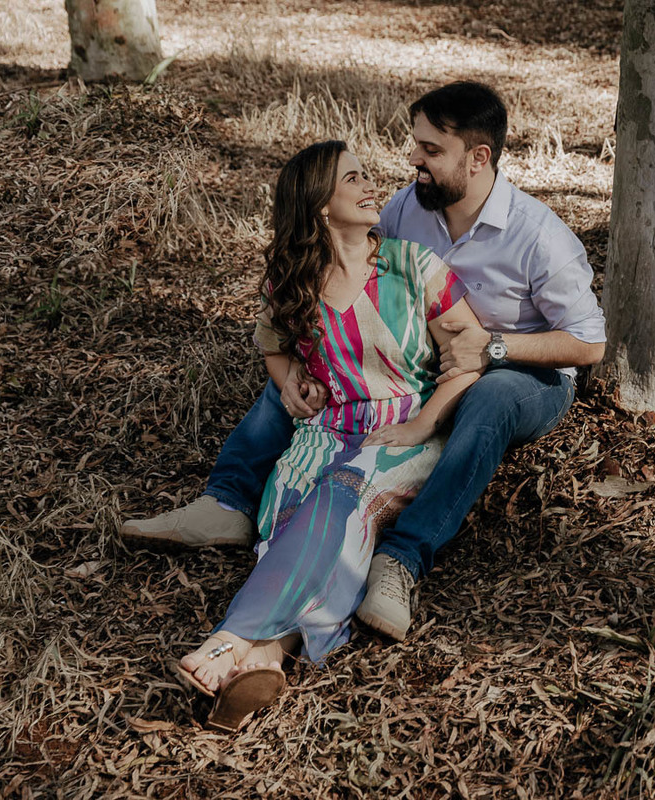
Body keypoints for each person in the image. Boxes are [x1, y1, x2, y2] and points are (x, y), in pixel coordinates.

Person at [124, 81, 607, 642]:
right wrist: (306, 365)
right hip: (428, 356)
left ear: (478, 158)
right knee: (315, 371)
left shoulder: (539, 236)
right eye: (415, 145)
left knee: (487, 398)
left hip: (524, 369)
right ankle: (228, 499)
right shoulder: (408, 207)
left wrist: (494, 348)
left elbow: (588, 343)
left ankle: (402, 558)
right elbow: (367, 276)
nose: (413, 160)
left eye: (430, 149)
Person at [176, 139, 481, 730]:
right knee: (289, 510)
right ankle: (264, 659)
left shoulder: (414, 267)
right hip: (324, 427)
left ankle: (228, 639)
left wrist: (421, 423)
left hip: (400, 430)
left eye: (366, 175)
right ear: (318, 204)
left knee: (340, 497)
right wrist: (291, 383)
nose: (373, 186)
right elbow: (274, 348)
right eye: (353, 179)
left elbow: (468, 357)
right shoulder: (291, 282)